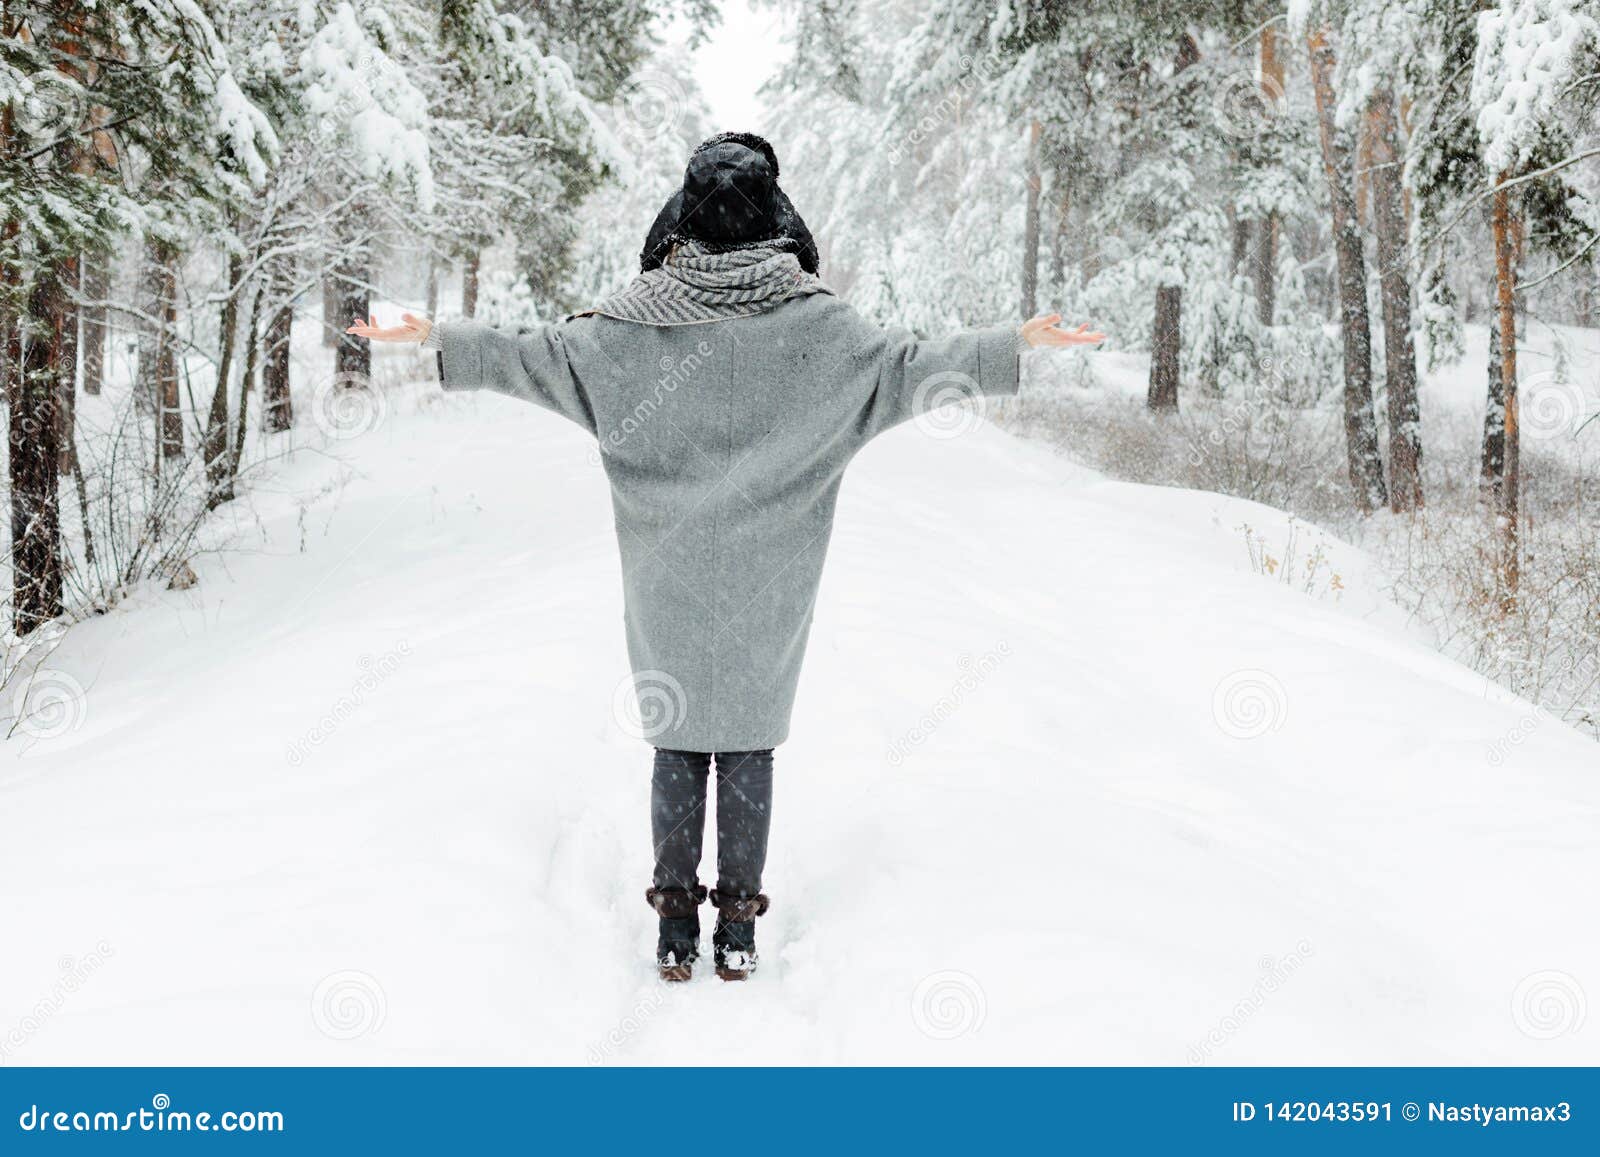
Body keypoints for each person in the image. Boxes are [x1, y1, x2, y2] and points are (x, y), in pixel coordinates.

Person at [349, 131, 1104, 982]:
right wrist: (1018, 343)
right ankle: (737, 932)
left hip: (666, 580)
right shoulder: (826, 331)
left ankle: (675, 929)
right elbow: (913, 365)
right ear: (775, 218)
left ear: (685, 217)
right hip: (769, 586)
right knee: (746, 743)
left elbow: (528, 356)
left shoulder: (625, 329)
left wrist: (434, 335)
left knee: (677, 743)